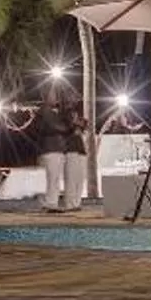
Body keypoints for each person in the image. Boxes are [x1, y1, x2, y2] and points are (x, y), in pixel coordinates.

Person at [32, 80, 88, 214]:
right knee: (54, 178)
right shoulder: (44, 111)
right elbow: (58, 127)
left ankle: (64, 203)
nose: (56, 97)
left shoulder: (63, 112)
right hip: (52, 148)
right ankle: (51, 203)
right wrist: (73, 126)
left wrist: (75, 125)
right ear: (45, 96)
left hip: (60, 148)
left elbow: (79, 125)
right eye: (52, 94)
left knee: (64, 178)